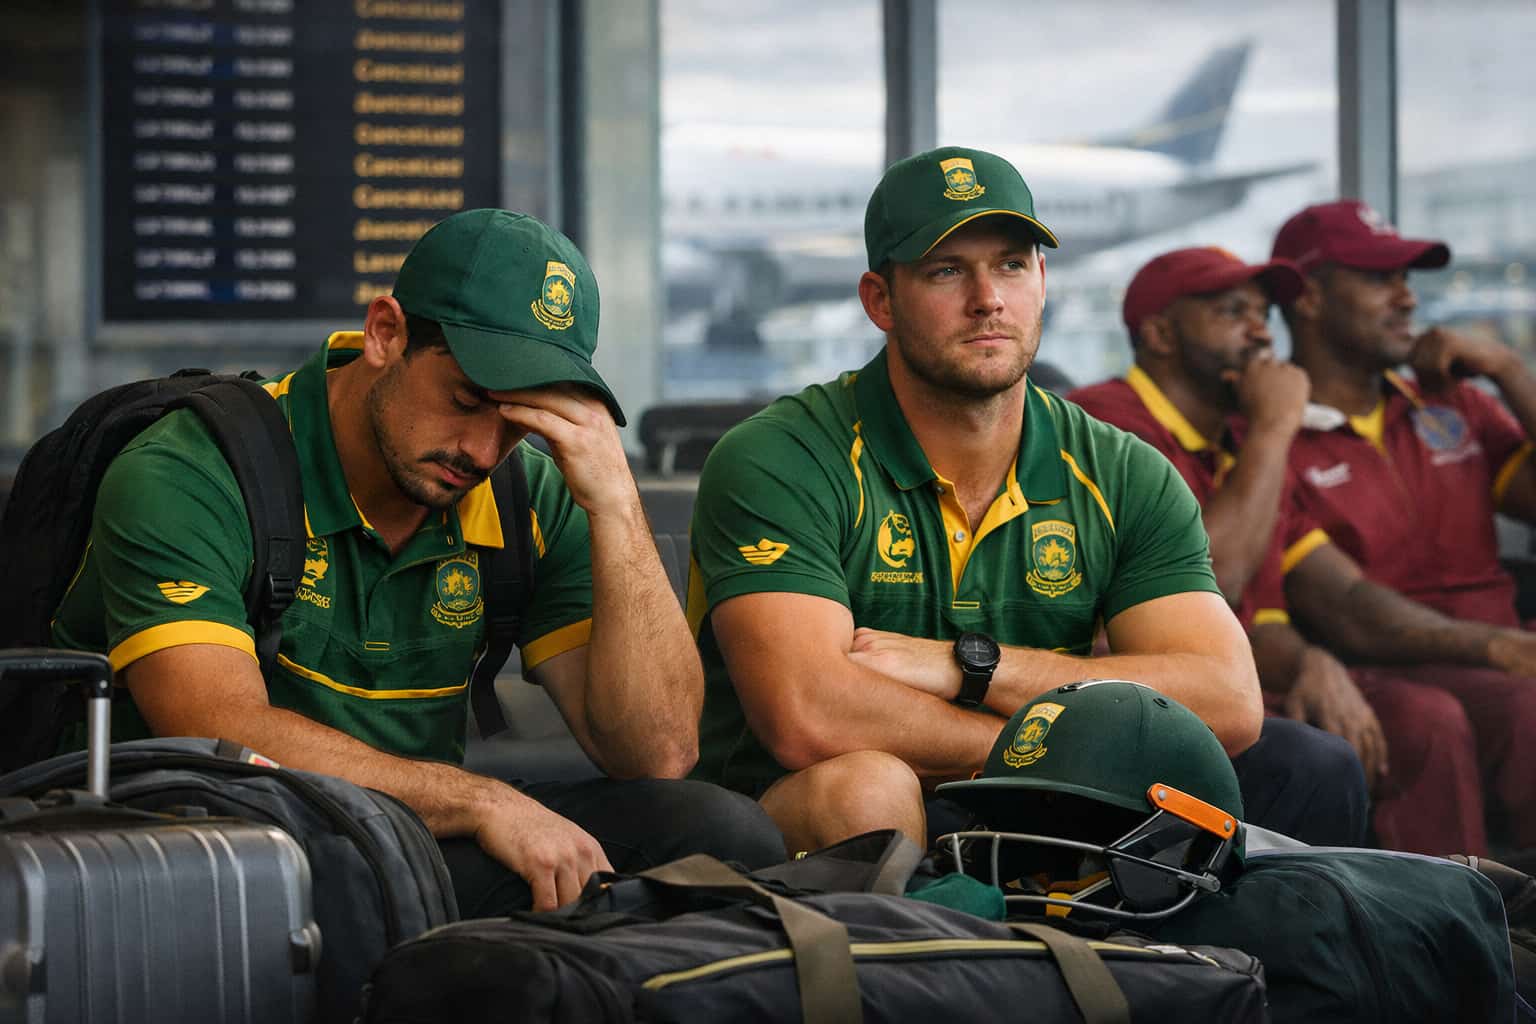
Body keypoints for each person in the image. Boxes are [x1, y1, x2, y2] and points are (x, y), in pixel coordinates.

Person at [49, 208, 785, 913]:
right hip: (211, 838)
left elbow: (656, 752)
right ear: (385, 333)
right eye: (466, 399)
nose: (484, 450)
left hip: (415, 830)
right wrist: (478, 799)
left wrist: (617, 506)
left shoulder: (525, 494)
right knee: (389, 878)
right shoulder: (192, 471)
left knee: (720, 835)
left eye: (521, 420)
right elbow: (213, 726)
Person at [683, 145, 1322, 856]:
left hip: (1028, 809)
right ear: (879, 300)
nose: (988, 298)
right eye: (946, 270)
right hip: (804, 813)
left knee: (1309, 768)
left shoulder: (1119, 469)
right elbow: (809, 713)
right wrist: (1058, 761)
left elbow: (1228, 700)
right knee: (867, 785)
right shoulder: (782, 455)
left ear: (1042, 280)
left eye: (1011, 265)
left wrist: (971, 664)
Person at [1069, 245, 1495, 854]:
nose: (1260, 334)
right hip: (1143, 696)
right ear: (1161, 334)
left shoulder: (1236, 441)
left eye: (1264, 313)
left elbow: (1288, 602)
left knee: (1416, 717)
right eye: (1233, 312)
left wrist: (1310, 661)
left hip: (1239, 678)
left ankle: (1448, 918)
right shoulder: (1107, 428)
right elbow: (1210, 586)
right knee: (1351, 745)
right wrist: (1274, 429)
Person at [1270, 200, 1536, 852]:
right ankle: (1461, 930)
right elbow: (1347, 609)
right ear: (1307, 296)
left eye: (1408, 279)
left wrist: (1509, 371)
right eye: (1379, 277)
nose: (1406, 299)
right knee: (1478, 713)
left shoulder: (1453, 402)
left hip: (1498, 653)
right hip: (1390, 665)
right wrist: (1501, 649)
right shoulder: (1265, 435)